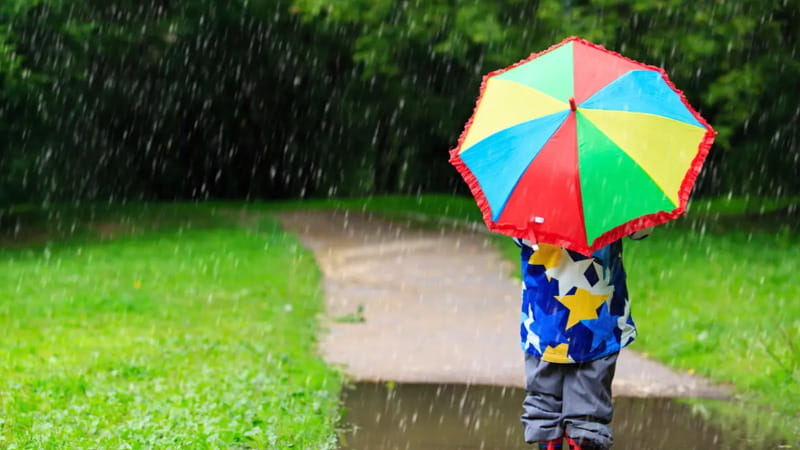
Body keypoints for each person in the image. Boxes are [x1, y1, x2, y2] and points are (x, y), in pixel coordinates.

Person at [515, 228, 652, 450]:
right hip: (596, 322)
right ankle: (581, 439)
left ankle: (549, 441)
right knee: (589, 409)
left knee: (544, 404)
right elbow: (639, 230)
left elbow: (519, 237)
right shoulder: (605, 206)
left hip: (544, 319)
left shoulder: (530, 209)